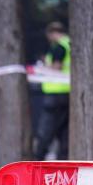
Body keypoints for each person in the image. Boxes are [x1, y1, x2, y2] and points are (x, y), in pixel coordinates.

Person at [36, 21, 71, 160]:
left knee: (46, 131)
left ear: (52, 33)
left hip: (55, 95)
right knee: (63, 132)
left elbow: (56, 68)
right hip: (67, 93)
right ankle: (62, 160)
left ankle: (38, 159)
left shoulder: (59, 47)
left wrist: (44, 66)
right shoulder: (70, 44)